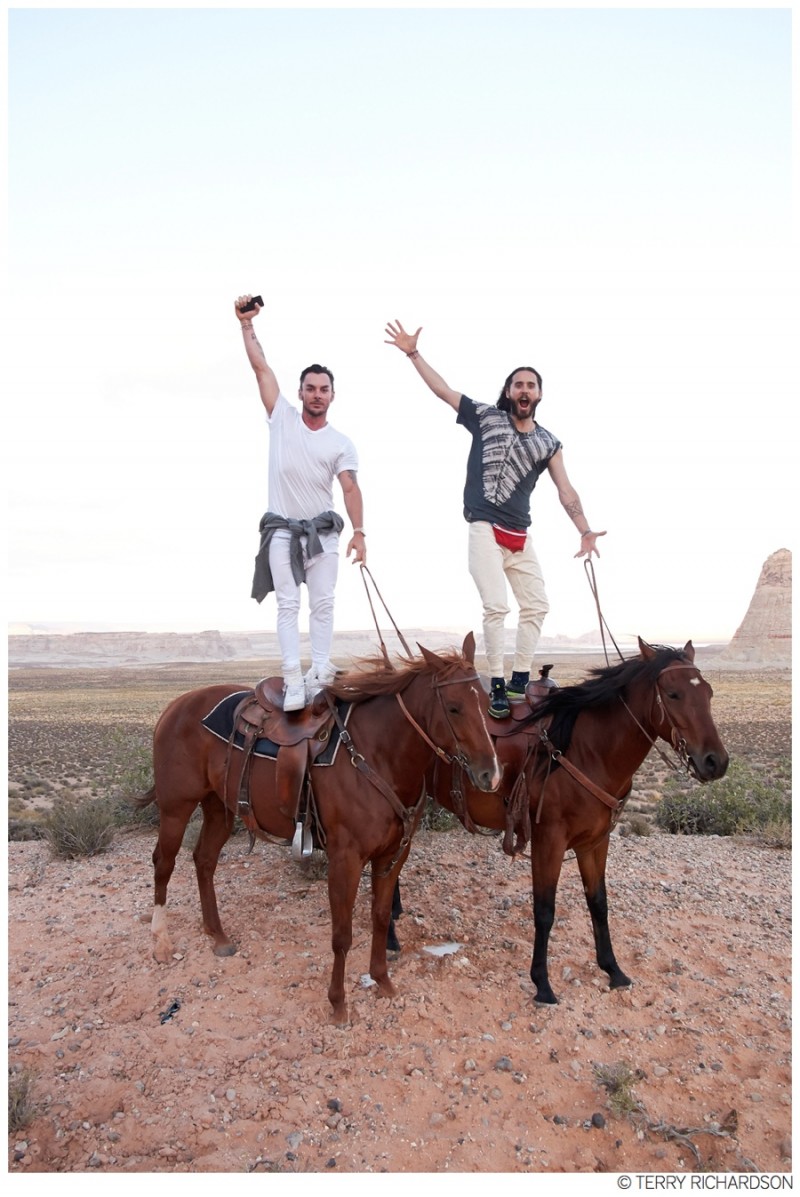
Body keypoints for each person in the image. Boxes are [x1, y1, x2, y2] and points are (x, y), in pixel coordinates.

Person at [385, 319, 605, 719]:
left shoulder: (548, 442)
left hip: (520, 534)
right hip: (484, 527)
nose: (524, 390)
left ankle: (520, 677)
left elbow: (565, 490)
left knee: (537, 605)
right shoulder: (486, 417)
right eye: (518, 384)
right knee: (496, 607)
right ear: (509, 391)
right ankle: (498, 684)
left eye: (531, 385)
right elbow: (444, 391)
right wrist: (413, 353)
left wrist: (585, 531)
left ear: (539, 394)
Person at [236, 294, 366, 710]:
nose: (316, 395)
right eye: (309, 388)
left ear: (332, 395)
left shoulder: (340, 442)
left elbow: (349, 487)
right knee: (288, 604)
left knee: (324, 604)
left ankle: (321, 671)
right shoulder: (282, 418)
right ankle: (293, 677)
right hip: (282, 532)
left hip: (322, 534)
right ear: (300, 392)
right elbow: (261, 367)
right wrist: (246, 325)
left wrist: (360, 531)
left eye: (323, 389)